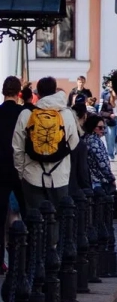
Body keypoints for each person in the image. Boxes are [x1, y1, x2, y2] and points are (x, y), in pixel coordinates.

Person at [13, 76, 80, 211]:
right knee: (58, 219)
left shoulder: (26, 114)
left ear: (38, 93)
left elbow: (17, 148)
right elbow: (74, 143)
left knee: (34, 221)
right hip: (59, 176)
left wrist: (21, 173)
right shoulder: (67, 114)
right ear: (55, 91)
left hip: (32, 175)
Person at [0, 77, 27, 258]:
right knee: (26, 212)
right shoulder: (24, 113)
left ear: (3, 92)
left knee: (0, 216)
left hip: (0, 169)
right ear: (19, 93)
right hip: (21, 168)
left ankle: (0, 259)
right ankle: (26, 255)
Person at [82, 114, 116, 193]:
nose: (103, 130)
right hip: (97, 180)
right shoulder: (93, 141)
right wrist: (111, 178)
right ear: (93, 127)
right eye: (100, 127)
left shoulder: (89, 138)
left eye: (104, 127)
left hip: (95, 179)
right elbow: (101, 162)